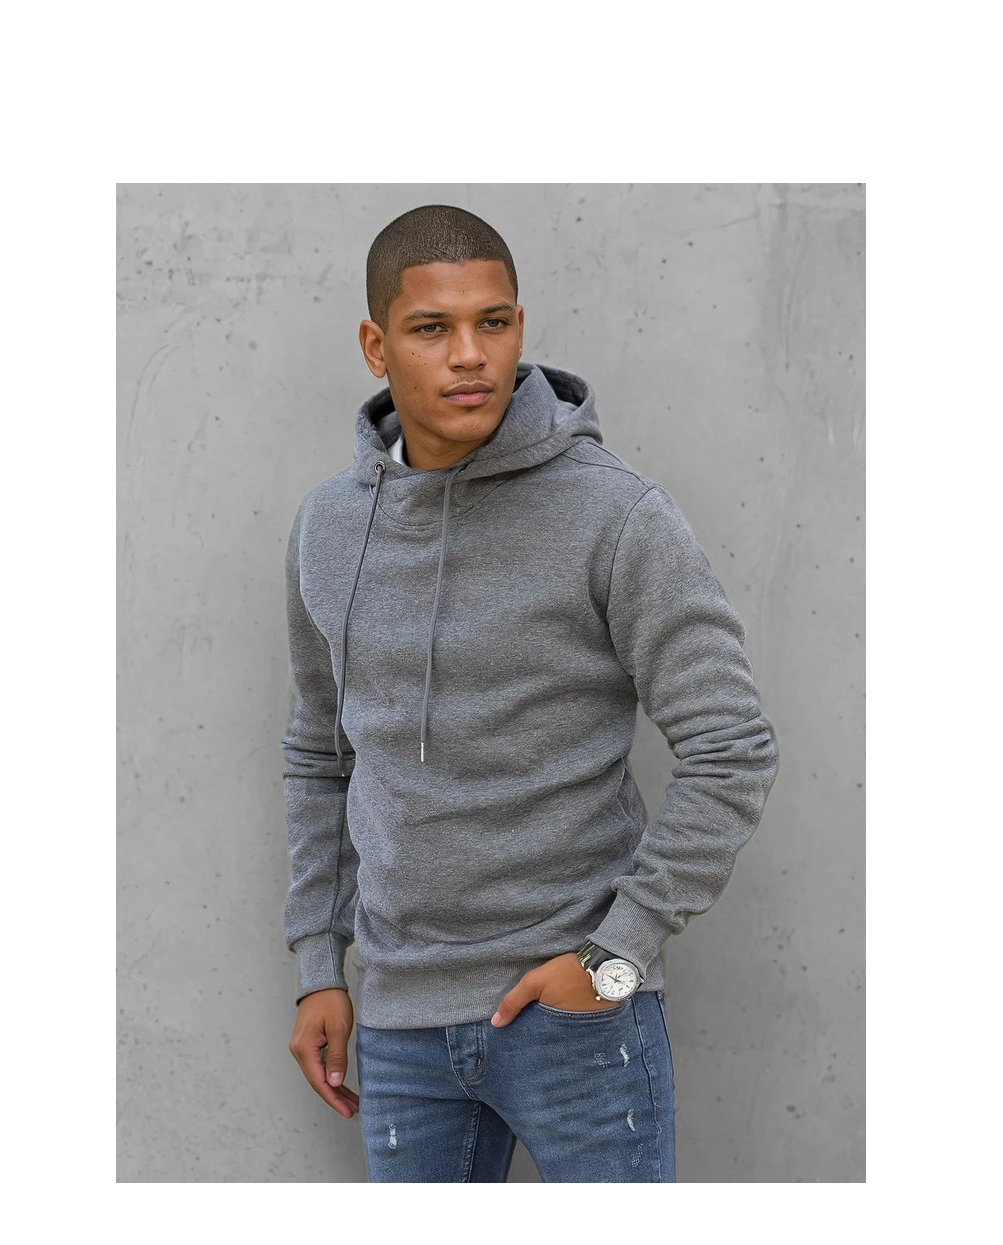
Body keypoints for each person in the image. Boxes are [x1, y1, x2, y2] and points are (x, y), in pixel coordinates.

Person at [282, 204, 779, 1182]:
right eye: (432, 328)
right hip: (399, 1023)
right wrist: (316, 967)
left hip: (578, 1024)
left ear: (519, 327)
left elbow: (732, 747)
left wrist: (615, 957)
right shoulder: (330, 527)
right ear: (377, 346)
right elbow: (319, 754)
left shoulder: (613, 514)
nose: (470, 355)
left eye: (494, 322)